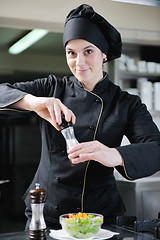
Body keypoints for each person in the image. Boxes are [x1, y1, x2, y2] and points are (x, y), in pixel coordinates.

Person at [0, 4, 160, 229]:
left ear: (103, 53)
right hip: (48, 212)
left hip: (101, 216)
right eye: (71, 53)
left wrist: (114, 154)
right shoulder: (51, 88)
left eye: (88, 51)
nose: (79, 62)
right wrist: (35, 103)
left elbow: (156, 149)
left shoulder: (126, 103)